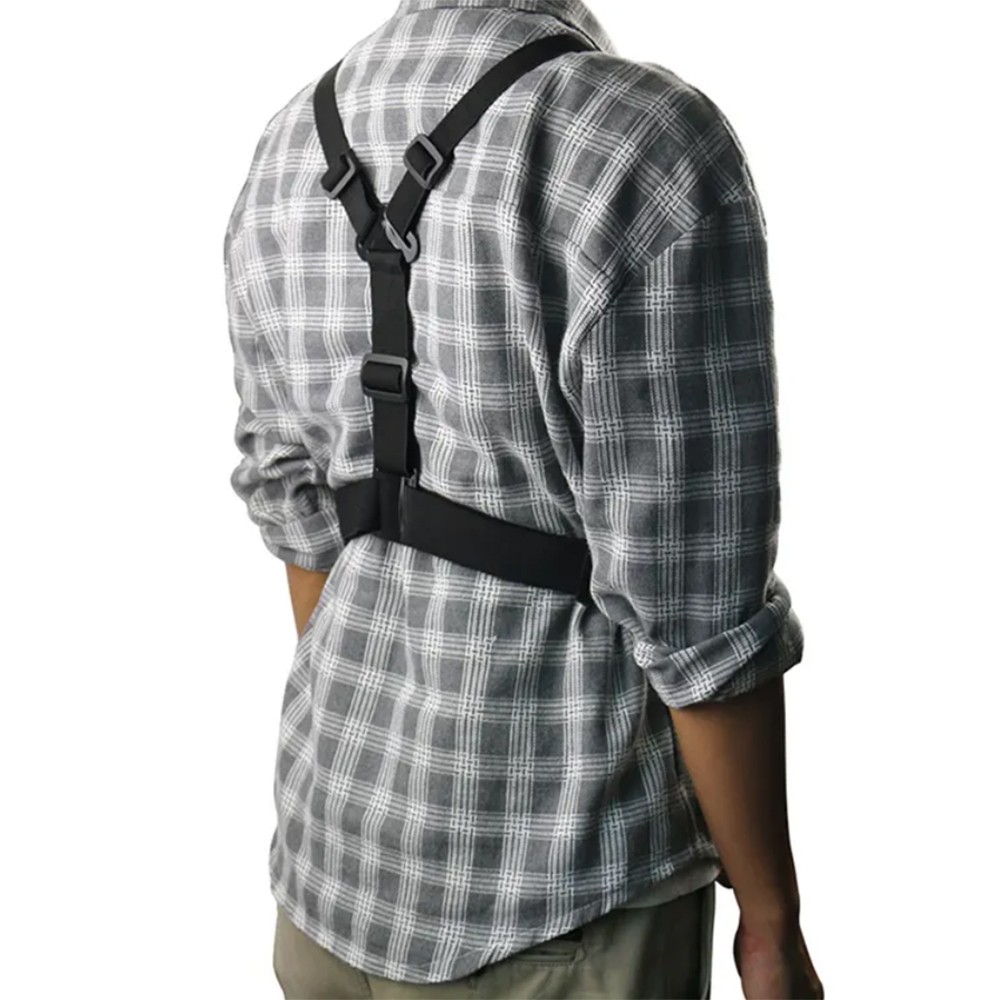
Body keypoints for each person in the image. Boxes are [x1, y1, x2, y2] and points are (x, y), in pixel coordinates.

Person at [224, 1, 823, 997]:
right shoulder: (642, 146)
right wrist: (771, 920)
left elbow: (300, 524)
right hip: (556, 905)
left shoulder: (290, 144)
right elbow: (699, 622)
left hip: (328, 874)